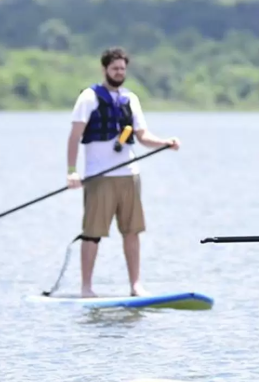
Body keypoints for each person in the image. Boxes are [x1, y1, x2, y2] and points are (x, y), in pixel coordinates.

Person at [65, 47, 180, 298]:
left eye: (123, 69)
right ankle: (86, 287)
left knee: (132, 230)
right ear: (105, 69)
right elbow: (74, 137)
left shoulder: (131, 99)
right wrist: (72, 171)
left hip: (129, 174)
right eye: (115, 68)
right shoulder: (88, 97)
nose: (119, 73)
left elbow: (142, 136)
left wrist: (164, 143)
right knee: (93, 233)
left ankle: (135, 285)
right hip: (99, 176)